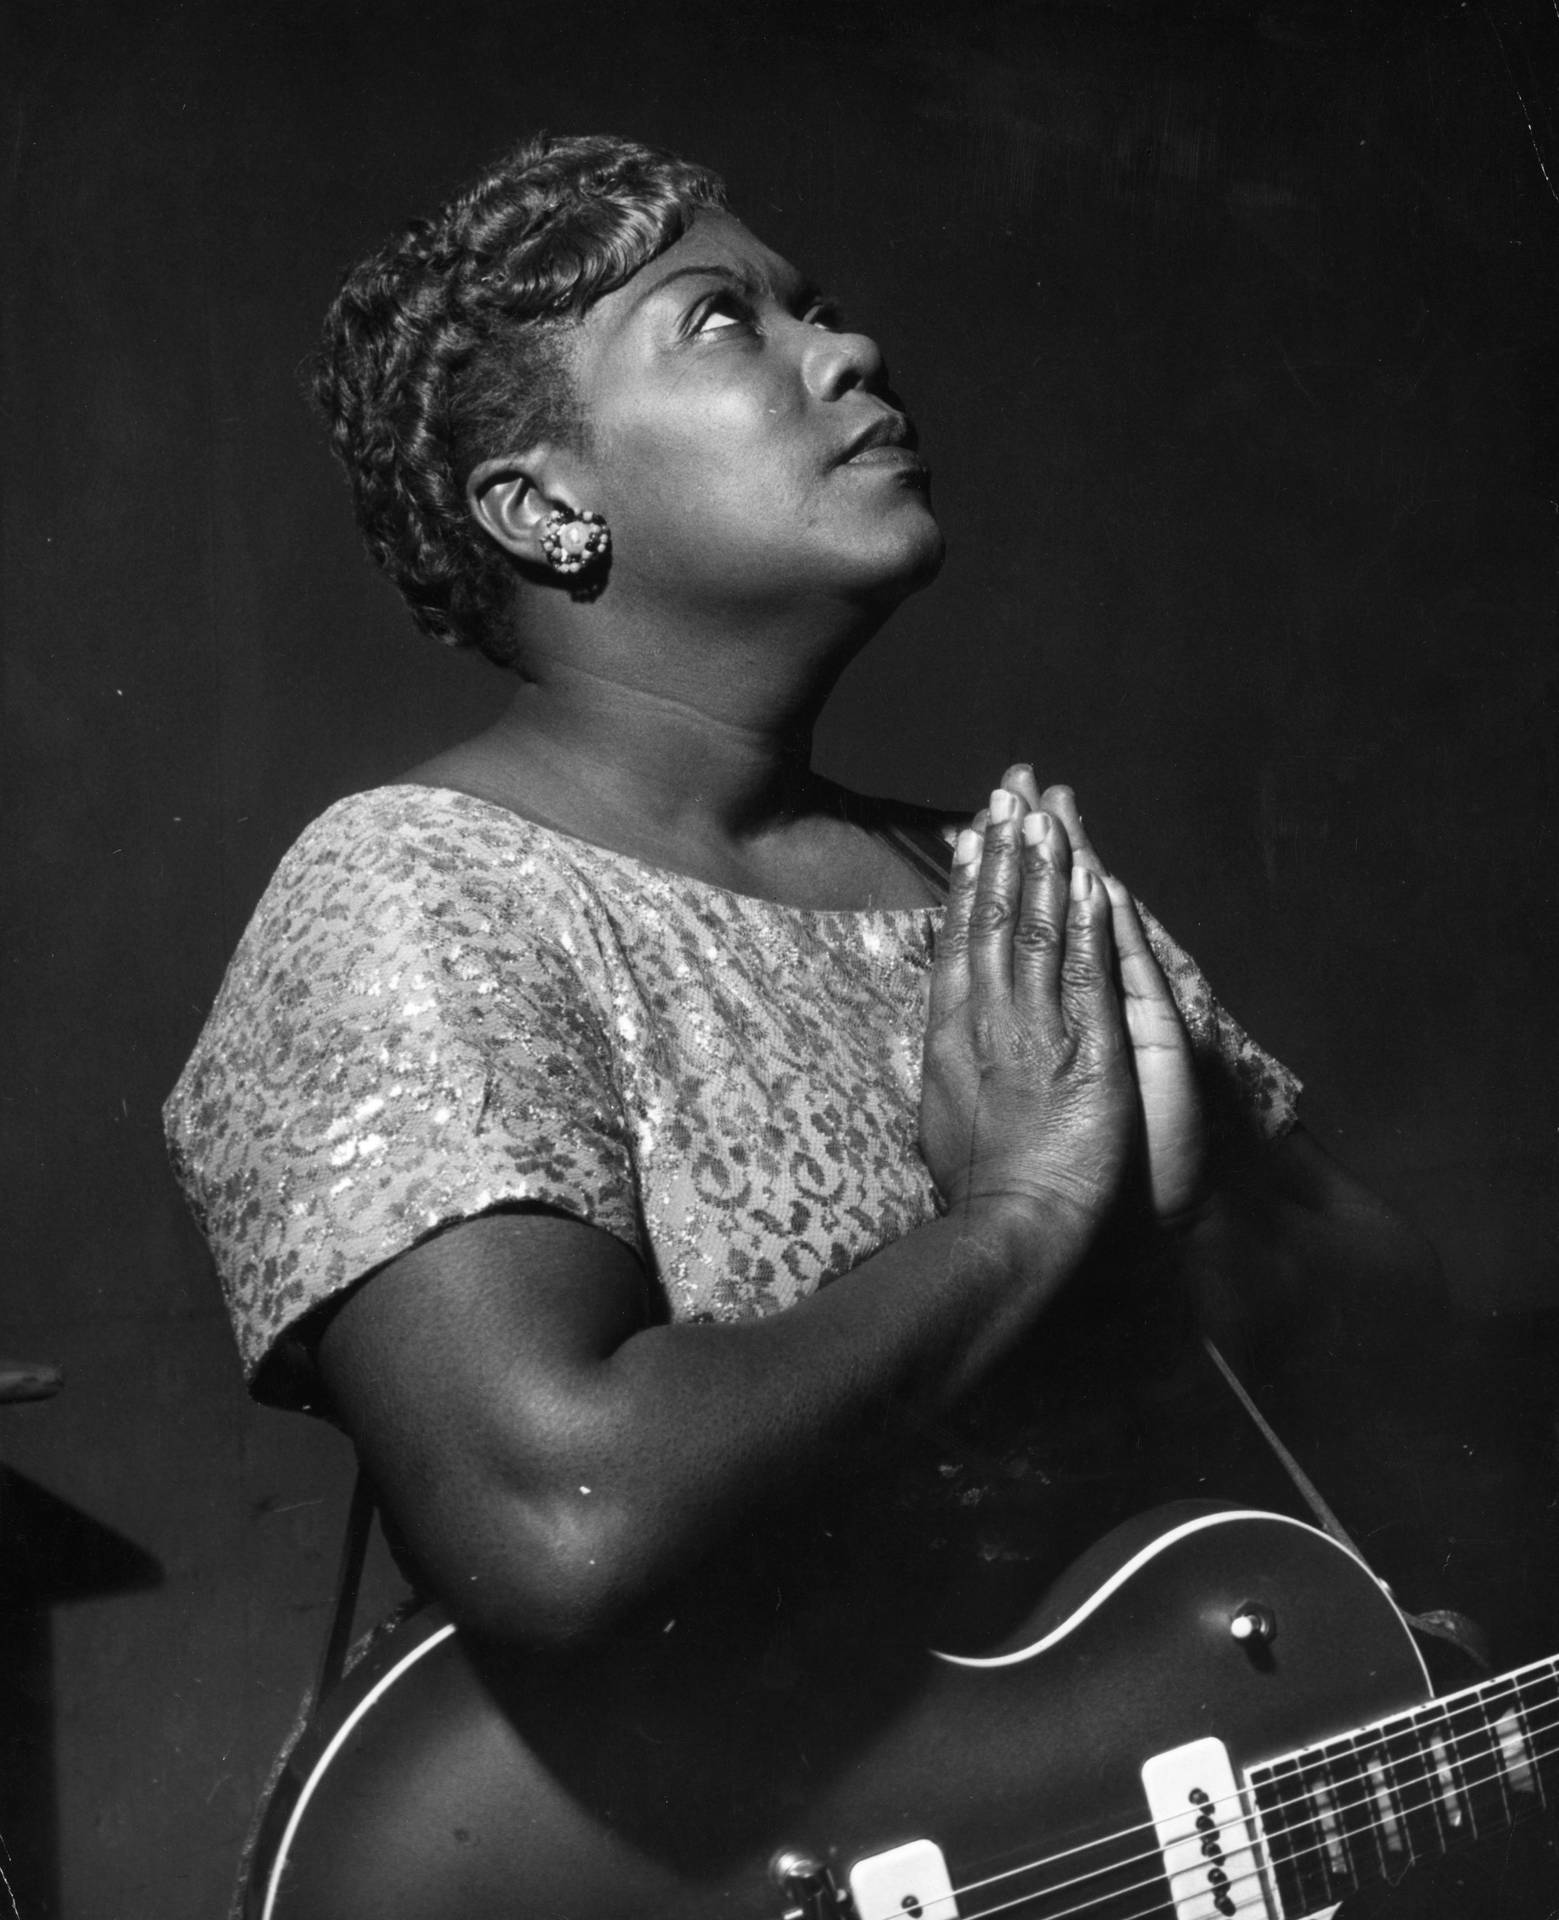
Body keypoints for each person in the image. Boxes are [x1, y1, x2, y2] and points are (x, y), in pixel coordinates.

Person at [164, 134, 1457, 1914]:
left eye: (824, 310)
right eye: (723, 323)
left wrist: (1210, 1188)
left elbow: (1419, 1365)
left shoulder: (992, 888)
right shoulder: (416, 891)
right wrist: (1018, 1220)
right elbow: (558, 1512)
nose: (845, 355)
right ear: (543, 510)